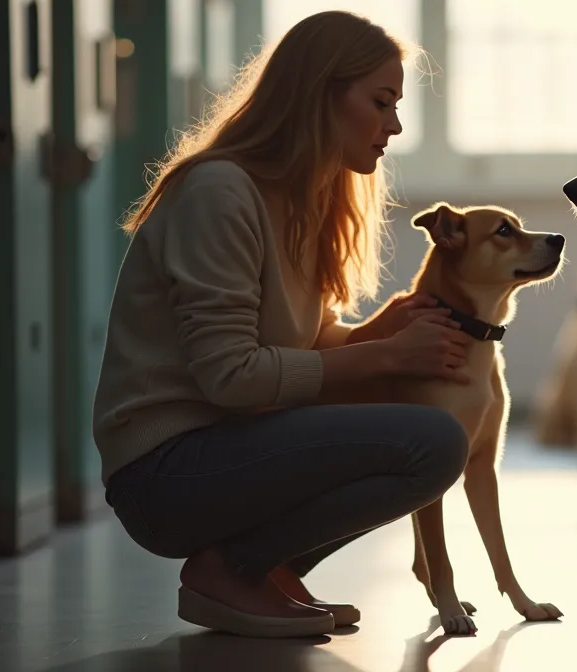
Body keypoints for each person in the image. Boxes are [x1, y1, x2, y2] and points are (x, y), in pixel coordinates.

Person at [93, 11, 473, 639]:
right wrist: (383, 358)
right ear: (320, 93)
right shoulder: (220, 192)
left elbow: (296, 344)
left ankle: (257, 570)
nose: (395, 124)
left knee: (426, 430)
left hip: (224, 447)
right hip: (164, 474)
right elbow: (232, 379)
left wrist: (372, 334)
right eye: (381, 102)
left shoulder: (301, 199)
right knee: (431, 442)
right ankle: (234, 569)